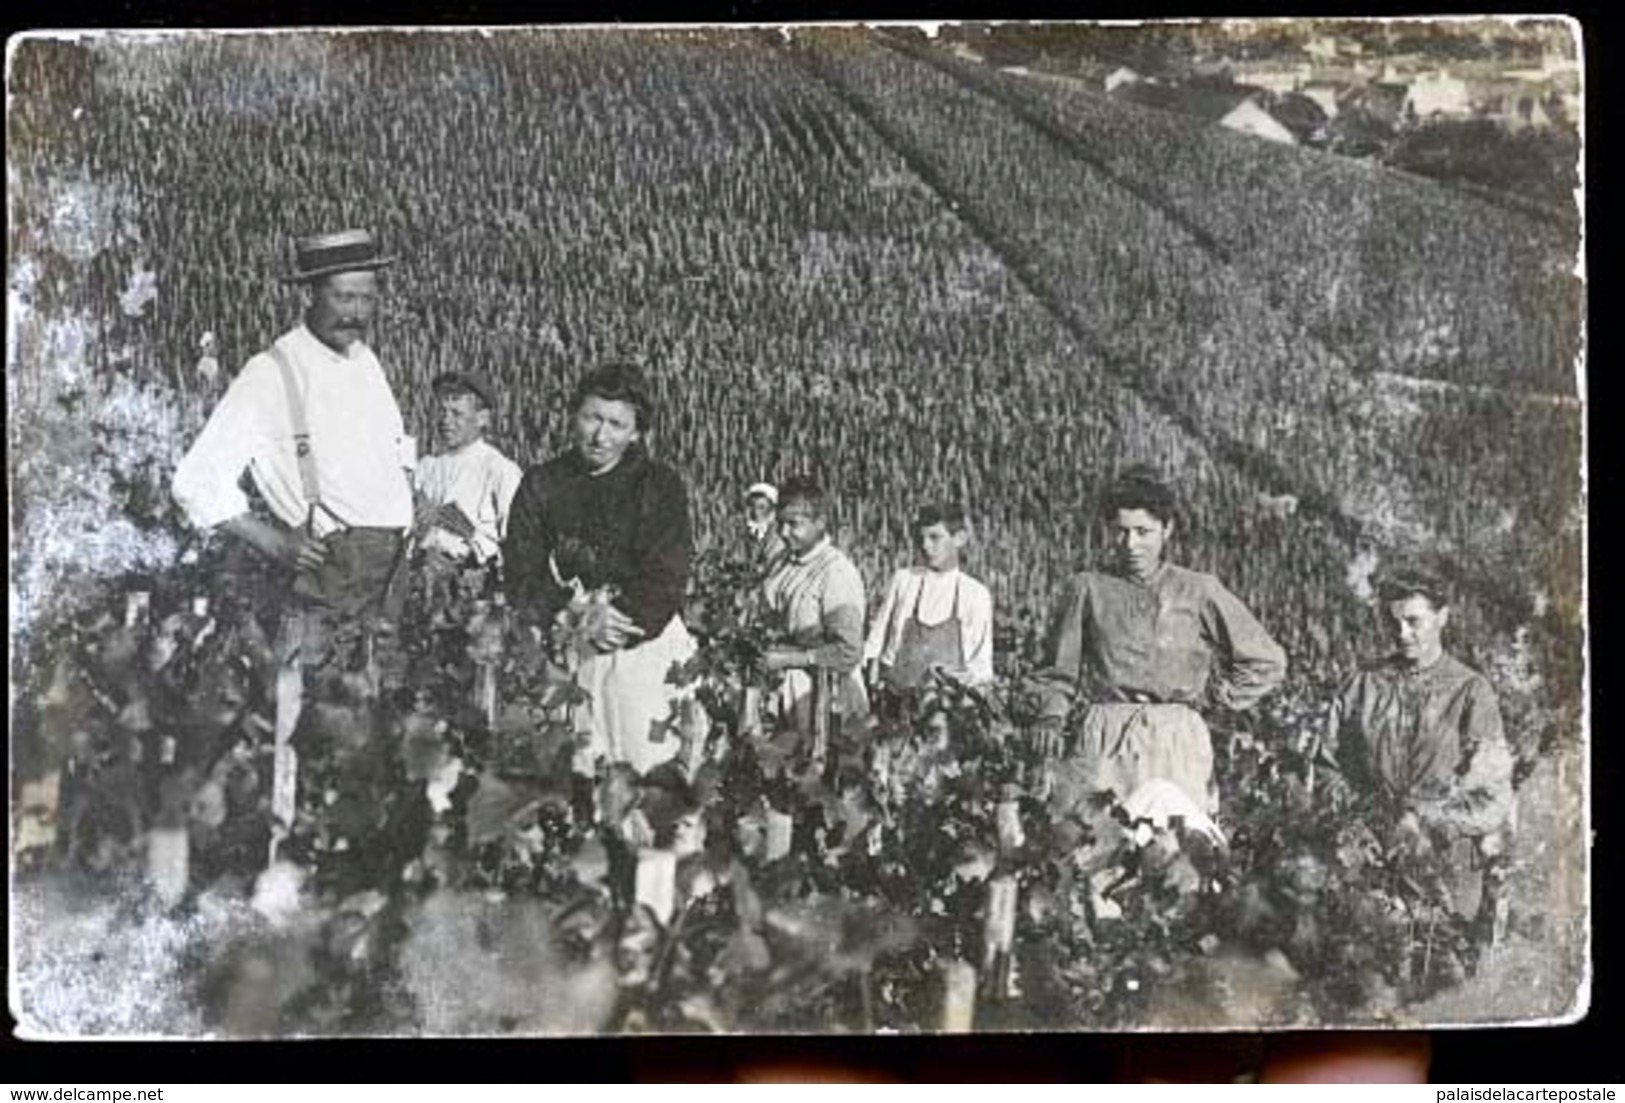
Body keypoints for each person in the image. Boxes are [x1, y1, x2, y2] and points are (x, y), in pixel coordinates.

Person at [171, 227, 415, 663]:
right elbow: (196, 480)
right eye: (344, 298)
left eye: (367, 298)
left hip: (390, 581)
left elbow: (393, 453)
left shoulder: (365, 362)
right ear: (310, 295)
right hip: (330, 580)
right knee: (308, 717)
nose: (356, 314)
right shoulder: (271, 373)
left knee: (382, 720)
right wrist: (273, 542)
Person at [1033, 465, 1287, 813]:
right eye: (1121, 532)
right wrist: (1051, 716)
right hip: (1105, 736)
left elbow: (1266, 660)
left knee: (1171, 846)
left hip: (1174, 738)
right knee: (1092, 843)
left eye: (1143, 532)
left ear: (1166, 530)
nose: (1131, 544)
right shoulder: (1087, 588)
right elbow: (1058, 671)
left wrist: (1215, 698)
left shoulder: (1198, 590)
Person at [504, 362, 698, 776]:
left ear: (636, 432)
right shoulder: (543, 483)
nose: (600, 435)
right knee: (578, 767)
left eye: (616, 424)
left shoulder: (658, 486)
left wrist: (618, 618)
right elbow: (521, 569)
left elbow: (666, 576)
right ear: (574, 414)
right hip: (569, 639)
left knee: (646, 769)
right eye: (592, 417)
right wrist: (569, 614)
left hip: (641, 644)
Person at [1318, 564, 1514, 926]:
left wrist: (1430, 821)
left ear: (1442, 617)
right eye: (1393, 623)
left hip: (1442, 866)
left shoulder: (1470, 691)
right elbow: (1327, 767)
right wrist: (1360, 819)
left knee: (1436, 966)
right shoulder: (1361, 686)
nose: (1402, 634)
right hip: (1369, 860)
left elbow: (1494, 794)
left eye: (1414, 621)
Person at [760, 477, 870, 740]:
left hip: (826, 698)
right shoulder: (783, 564)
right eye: (780, 524)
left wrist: (789, 659)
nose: (784, 533)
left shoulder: (835, 573)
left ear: (820, 522)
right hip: (787, 688)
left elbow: (849, 652)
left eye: (793, 524)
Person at [864, 501, 995, 692]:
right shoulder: (904, 580)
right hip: (894, 696)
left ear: (959, 538)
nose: (925, 546)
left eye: (935, 537)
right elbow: (874, 643)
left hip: (946, 704)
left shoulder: (975, 594)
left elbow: (982, 667)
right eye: (921, 538)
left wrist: (962, 678)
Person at [411, 370, 524, 568]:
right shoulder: (425, 468)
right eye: (442, 411)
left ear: (482, 418)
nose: (446, 421)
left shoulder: (500, 471)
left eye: (457, 413)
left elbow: (519, 546)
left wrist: (471, 540)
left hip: (475, 580)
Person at [740, 481, 788, 579]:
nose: (756, 512)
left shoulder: (778, 535)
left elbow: (775, 567)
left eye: (762, 507)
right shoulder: (749, 533)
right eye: (752, 506)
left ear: (772, 510)